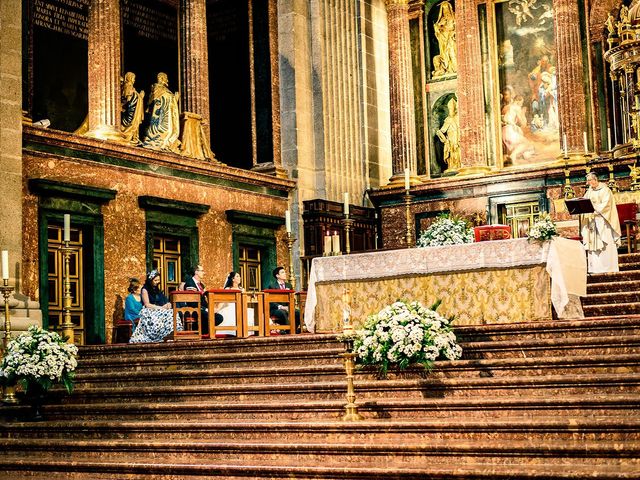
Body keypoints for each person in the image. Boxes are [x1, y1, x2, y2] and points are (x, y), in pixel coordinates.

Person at [581, 172, 621, 273]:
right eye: (588, 181)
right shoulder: (589, 191)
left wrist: (595, 210)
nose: (589, 183)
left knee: (605, 242)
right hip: (592, 222)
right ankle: (595, 268)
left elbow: (607, 205)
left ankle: (608, 267)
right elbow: (584, 202)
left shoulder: (605, 190)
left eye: (590, 180)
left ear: (595, 179)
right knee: (593, 244)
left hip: (603, 221)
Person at [129, 270, 178, 343]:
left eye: (158, 280)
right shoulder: (145, 290)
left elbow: (163, 299)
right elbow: (147, 304)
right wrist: (161, 308)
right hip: (149, 310)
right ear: (150, 280)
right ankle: (159, 335)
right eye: (155, 280)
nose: (157, 282)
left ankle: (171, 334)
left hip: (159, 309)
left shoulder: (156, 289)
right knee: (165, 314)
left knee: (173, 312)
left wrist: (167, 304)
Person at [142, 72, 181, 153]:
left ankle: (165, 144)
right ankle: (157, 142)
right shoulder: (157, 88)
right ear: (162, 78)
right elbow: (153, 101)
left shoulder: (166, 91)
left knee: (169, 130)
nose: (167, 80)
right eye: (166, 78)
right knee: (163, 130)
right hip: (159, 115)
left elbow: (169, 102)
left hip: (166, 115)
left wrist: (175, 99)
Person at [183, 264, 219, 335]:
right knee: (209, 316)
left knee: (219, 317)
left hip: (202, 309)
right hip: (194, 309)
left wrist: (210, 308)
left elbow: (204, 301)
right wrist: (205, 309)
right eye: (202, 271)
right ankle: (201, 332)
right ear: (196, 272)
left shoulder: (201, 285)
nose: (204, 273)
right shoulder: (190, 283)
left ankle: (203, 332)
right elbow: (192, 302)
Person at [265, 266, 300, 332]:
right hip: (276, 309)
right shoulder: (272, 286)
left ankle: (293, 329)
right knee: (283, 313)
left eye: (285, 272)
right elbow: (271, 301)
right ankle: (288, 330)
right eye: (282, 272)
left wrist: (289, 306)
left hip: (287, 307)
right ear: (277, 275)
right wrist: (281, 307)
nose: (285, 274)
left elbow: (293, 298)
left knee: (298, 312)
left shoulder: (289, 285)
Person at [121, 72, 145, 145]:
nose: (134, 80)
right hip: (131, 109)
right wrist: (140, 96)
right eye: (133, 78)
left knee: (135, 123)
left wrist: (140, 97)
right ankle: (131, 136)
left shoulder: (130, 86)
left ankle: (134, 137)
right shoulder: (128, 85)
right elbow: (127, 99)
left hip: (134, 109)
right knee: (133, 123)